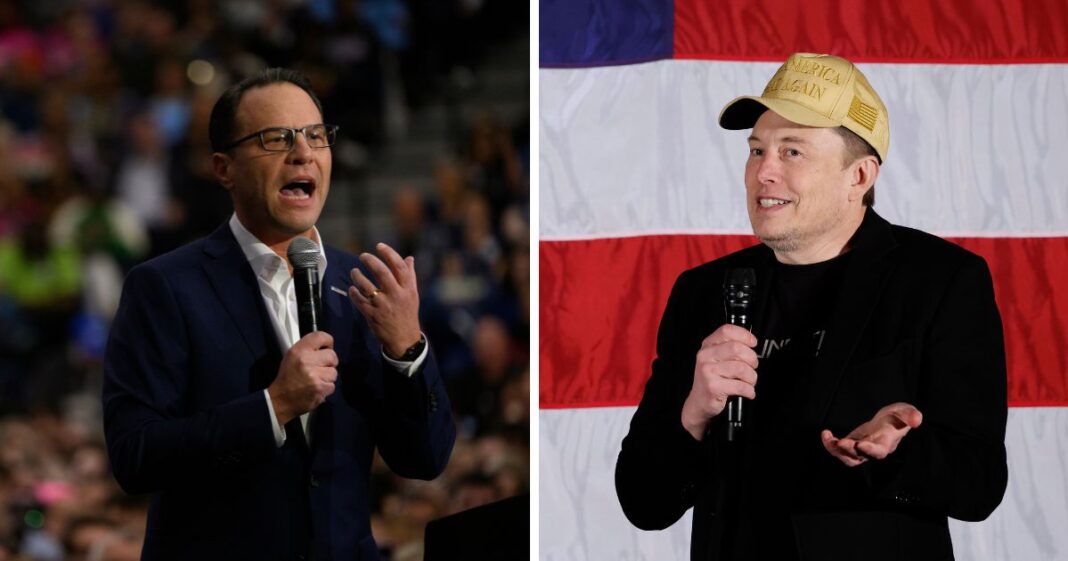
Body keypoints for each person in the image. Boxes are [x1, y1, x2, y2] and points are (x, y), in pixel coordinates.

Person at [615, 53, 1007, 561]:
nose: (764, 173)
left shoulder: (939, 280)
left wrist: (894, 454)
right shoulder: (704, 291)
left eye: (792, 152)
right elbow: (643, 502)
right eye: (757, 150)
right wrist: (693, 413)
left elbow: (978, 483)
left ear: (859, 176)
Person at [102, 68, 455, 560]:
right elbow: (134, 457)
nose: (303, 152)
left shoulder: (365, 286)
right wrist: (272, 406)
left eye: (316, 136)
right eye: (276, 139)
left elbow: (425, 458)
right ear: (224, 168)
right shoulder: (164, 287)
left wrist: (407, 350)